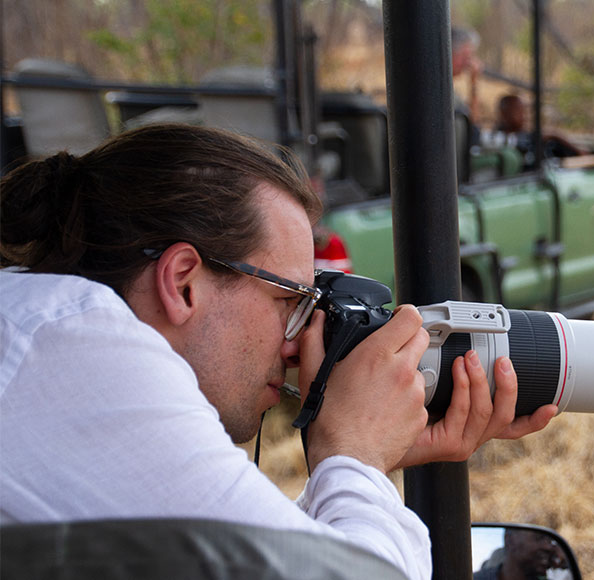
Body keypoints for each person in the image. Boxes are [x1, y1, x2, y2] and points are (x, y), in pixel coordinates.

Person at [0, 124, 557, 579]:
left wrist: (363, 459)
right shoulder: (83, 350)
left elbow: (242, 561)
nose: (297, 345)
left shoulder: (46, 336)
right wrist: (354, 455)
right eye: (289, 300)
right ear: (184, 281)